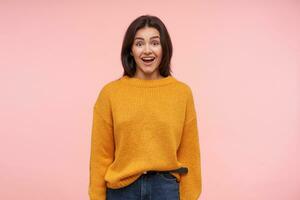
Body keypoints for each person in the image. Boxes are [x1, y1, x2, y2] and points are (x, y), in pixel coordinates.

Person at [88, 14, 202, 200]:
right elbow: (100, 156)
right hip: (121, 190)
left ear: (164, 48)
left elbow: (190, 154)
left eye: (154, 43)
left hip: (165, 189)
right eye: (139, 43)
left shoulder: (182, 93)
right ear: (130, 50)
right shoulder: (110, 93)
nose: (147, 50)